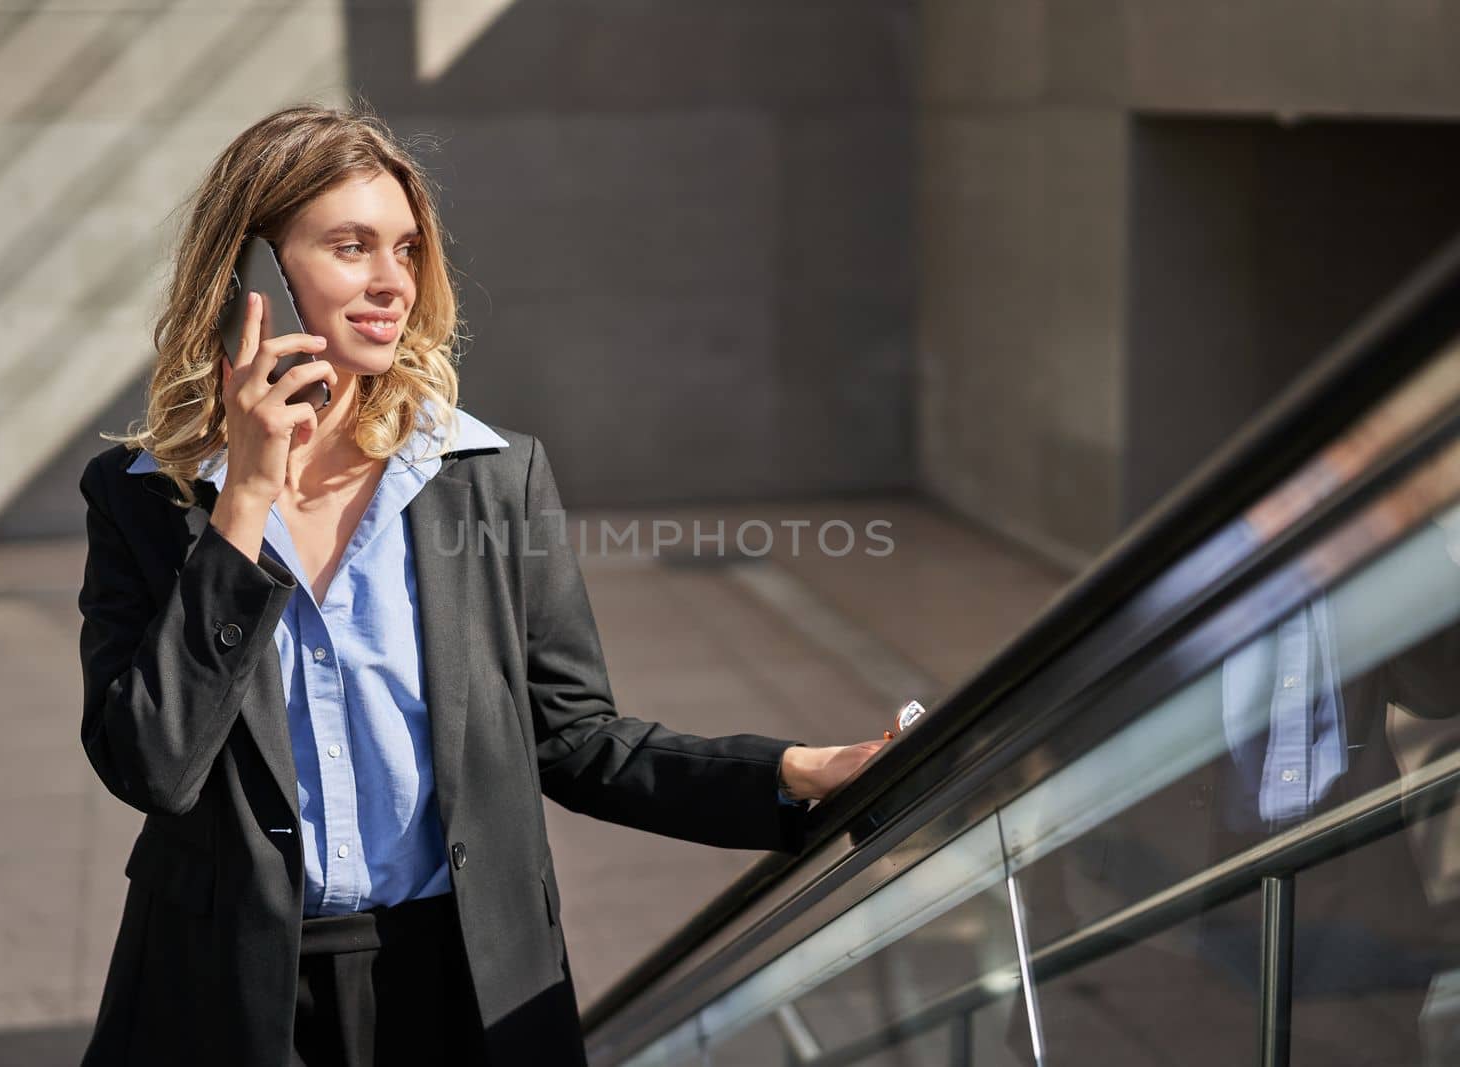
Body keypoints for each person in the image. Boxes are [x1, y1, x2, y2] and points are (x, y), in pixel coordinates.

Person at [75, 102, 886, 1067]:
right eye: (350, 246)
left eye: (407, 250)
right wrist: (244, 499)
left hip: (460, 990)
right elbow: (152, 768)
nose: (392, 283)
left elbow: (576, 739)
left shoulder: (489, 476)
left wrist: (791, 773)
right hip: (223, 995)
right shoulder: (142, 501)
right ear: (253, 279)